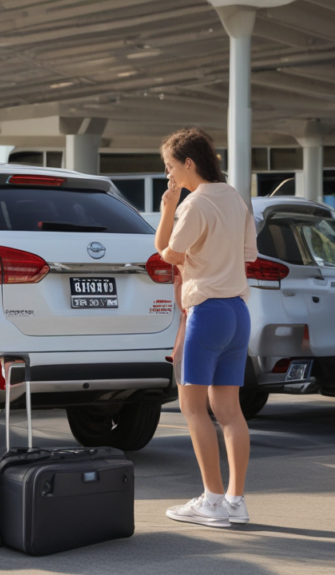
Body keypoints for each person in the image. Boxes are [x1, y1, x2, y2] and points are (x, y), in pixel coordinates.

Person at [155, 127, 258, 528]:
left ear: (189, 163)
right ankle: (235, 500)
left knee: (192, 407)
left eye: (170, 167)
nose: (169, 174)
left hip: (208, 312)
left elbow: (168, 254)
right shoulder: (234, 197)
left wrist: (168, 209)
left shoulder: (194, 204)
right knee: (229, 411)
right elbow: (248, 254)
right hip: (237, 311)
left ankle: (212, 501)